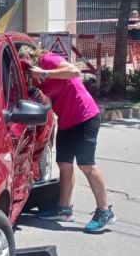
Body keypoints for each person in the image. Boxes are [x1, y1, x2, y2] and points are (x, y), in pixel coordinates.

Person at [18, 46, 116, 232]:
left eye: (27, 69)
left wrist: (44, 72)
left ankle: (104, 211)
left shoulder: (48, 61)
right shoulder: (36, 80)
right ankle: (64, 209)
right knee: (64, 163)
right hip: (66, 119)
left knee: (86, 164)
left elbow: (75, 71)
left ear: (33, 61)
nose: (28, 75)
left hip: (85, 117)